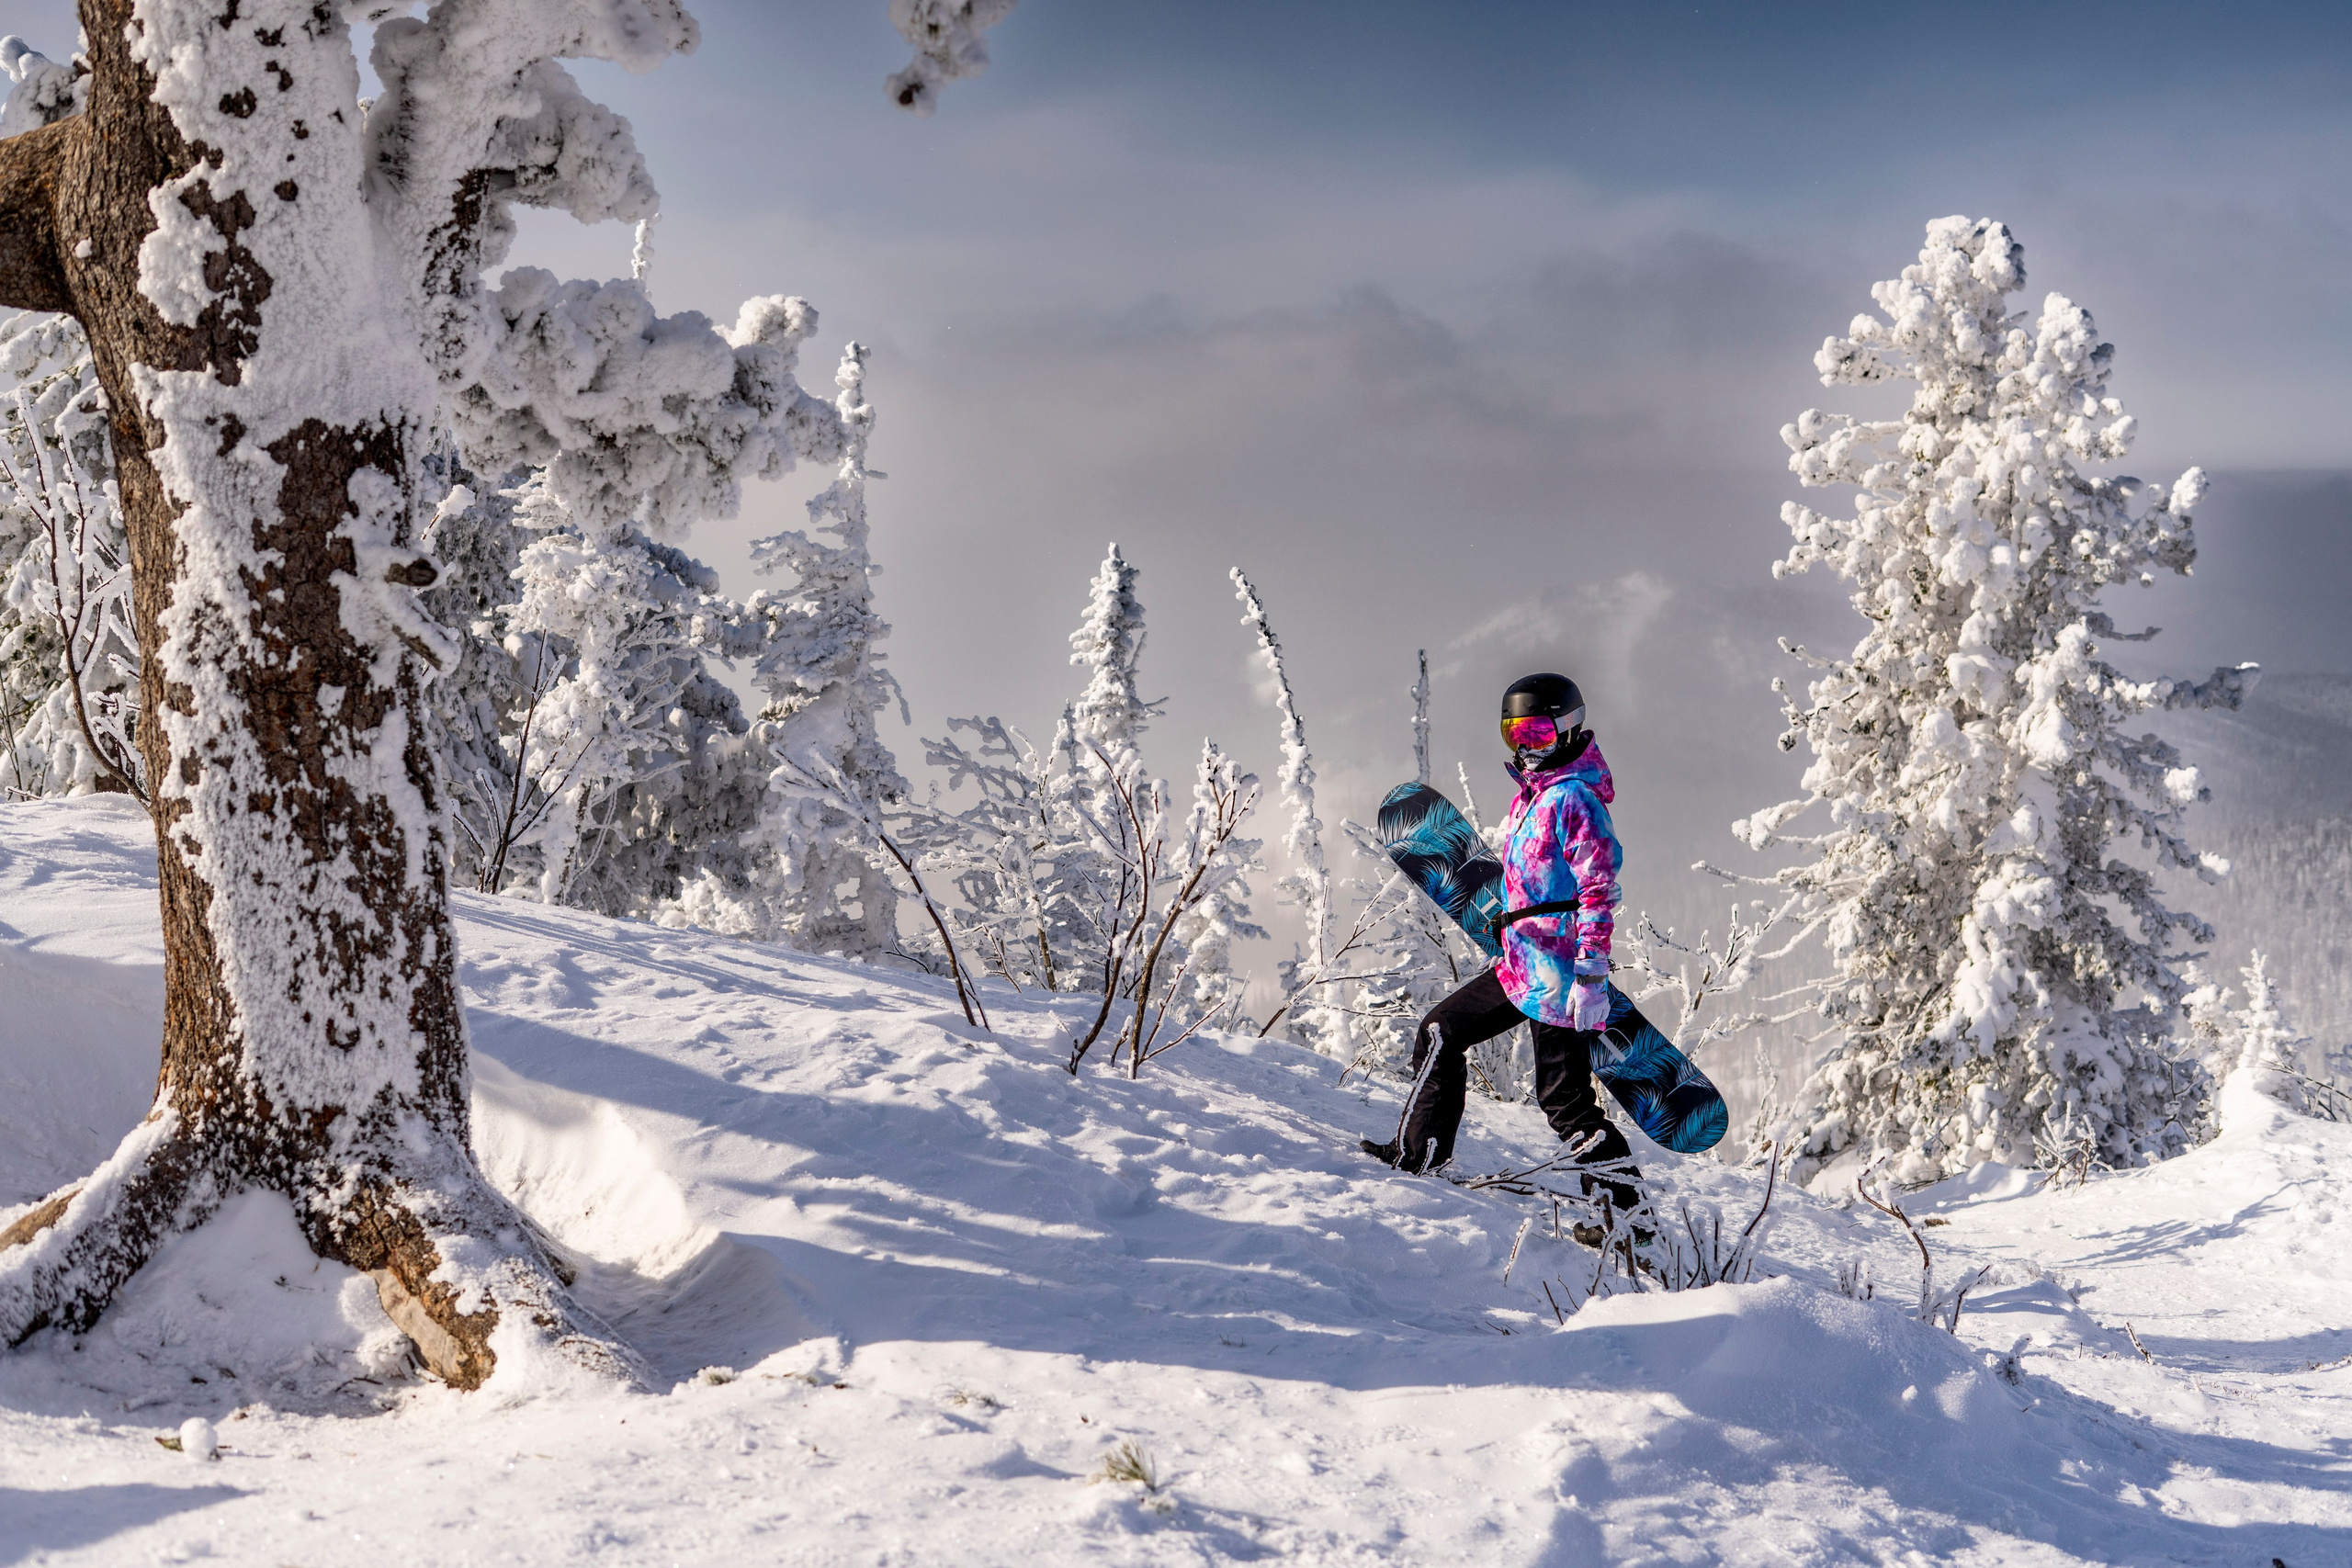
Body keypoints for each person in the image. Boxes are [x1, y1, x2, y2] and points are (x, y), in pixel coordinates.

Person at [1361, 672, 1641, 1220]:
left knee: (1565, 1104)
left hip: (1560, 973)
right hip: (1521, 963)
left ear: (1568, 729)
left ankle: (1630, 1223)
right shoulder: (1531, 798)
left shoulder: (1575, 799)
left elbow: (1598, 891)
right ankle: (1419, 1155)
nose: (1526, 747)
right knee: (1441, 1031)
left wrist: (1591, 975)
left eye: (1537, 733)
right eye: (1515, 734)